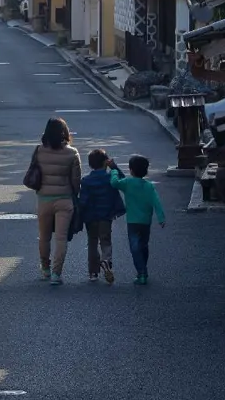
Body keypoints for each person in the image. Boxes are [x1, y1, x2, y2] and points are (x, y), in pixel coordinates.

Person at [32, 117, 81, 285]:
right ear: (64, 132)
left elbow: (34, 172)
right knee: (61, 238)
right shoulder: (72, 153)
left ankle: (45, 269)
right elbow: (76, 180)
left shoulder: (39, 150)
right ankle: (56, 274)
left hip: (44, 198)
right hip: (64, 199)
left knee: (44, 237)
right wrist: (75, 194)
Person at [111, 154, 166, 285]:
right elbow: (156, 202)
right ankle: (142, 269)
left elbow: (114, 183)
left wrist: (113, 170)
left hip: (132, 222)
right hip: (146, 222)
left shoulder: (127, 183)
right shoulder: (149, 186)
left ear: (130, 170)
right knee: (143, 245)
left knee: (134, 247)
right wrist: (161, 217)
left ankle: (142, 272)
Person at [77, 149, 124, 284]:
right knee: (105, 240)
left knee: (92, 242)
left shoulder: (86, 181)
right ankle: (106, 261)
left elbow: (83, 200)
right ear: (105, 163)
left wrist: (80, 213)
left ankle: (93, 272)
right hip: (106, 216)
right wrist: (114, 167)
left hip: (90, 217)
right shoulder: (110, 178)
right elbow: (123, 180)